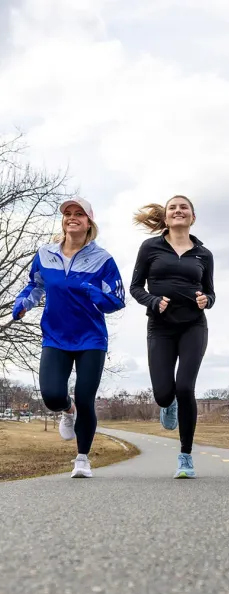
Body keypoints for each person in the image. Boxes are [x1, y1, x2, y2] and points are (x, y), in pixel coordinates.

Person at [12, 196, 125, 478]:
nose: (72, 217)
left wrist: (97, 294)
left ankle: (82, 458)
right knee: (51, 395)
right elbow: (35, 286)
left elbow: (117, 299)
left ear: (89, 223)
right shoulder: (45, 254)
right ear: (63, 221)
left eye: (79, 214)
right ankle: (66, 409)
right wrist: (23, 302)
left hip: (91, 339)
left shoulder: (103, 259)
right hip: (55, 337)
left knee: (86, 397)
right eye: (68, 214)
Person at [130, 195, 215, 479]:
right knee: (164, 393)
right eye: (173, 208)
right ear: (166, 218)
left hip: (193, 325)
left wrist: (206, 300)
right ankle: (168, 405)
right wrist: (153, 302)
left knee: (185, 387)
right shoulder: (150, 247)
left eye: (184, 207)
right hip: (160, 327)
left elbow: (211, 292)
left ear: (192, 217)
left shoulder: (204, 254)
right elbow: (135, 287)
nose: (178, 211)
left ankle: (185, 455)